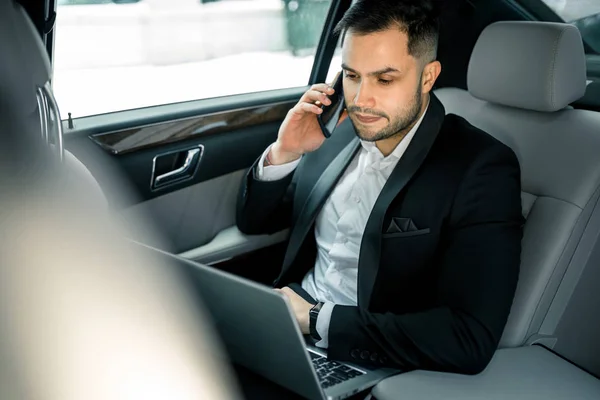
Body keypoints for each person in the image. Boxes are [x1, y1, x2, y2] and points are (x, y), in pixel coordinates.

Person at [236, 0, 523, 375]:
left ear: (427, 77)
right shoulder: (337, 134)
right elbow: (255, 222)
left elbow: (467, 338)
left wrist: (316, 319)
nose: (360, 100)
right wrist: (284, 152)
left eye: (384, 79)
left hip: (367, 356)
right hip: (285, 325)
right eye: (352, 76)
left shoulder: (480, 167)